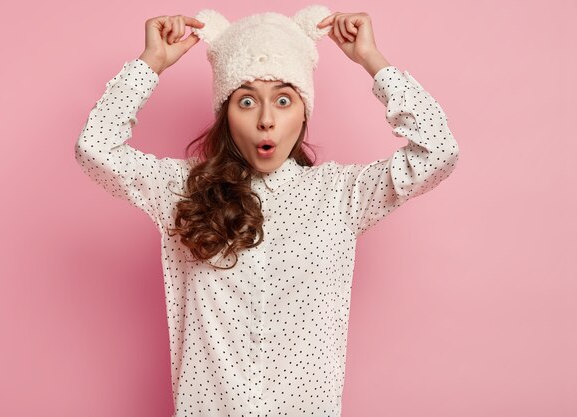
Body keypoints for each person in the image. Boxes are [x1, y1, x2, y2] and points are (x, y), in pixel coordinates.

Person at [74, 5, 459, 417]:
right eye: (246, 101)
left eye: (283, 99)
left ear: (304, 110)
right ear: (225, 114)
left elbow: (438, 152)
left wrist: (372, 61)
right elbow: (94, 148)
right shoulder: (182, 189)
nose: (266, 120)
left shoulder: (341, 195)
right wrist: (150, 64)